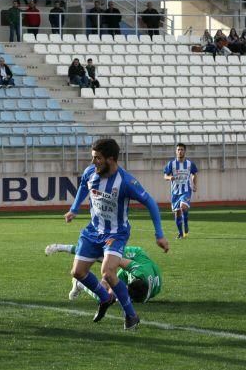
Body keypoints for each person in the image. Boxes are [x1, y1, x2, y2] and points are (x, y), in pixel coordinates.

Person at [64, 138, 169, 330]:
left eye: (97, 158)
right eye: (93, 157)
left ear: (111, 159)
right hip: (93, 231)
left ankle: (131, 316)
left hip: (116, 233)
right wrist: (74, 209)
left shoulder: (126, 182)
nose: (93, 162)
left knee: (108, 272)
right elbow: (82, 188)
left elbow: (151, 203)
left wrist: (159, 234)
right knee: (77, 272)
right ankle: (105, 299)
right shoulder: (90, 173)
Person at [45, 244, 162, 305]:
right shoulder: (139, 270)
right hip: (135, 257)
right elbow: (108, 260)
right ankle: (60, 247)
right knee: (99, 255)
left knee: (107, 297)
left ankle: (79, 284)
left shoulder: (141, 298)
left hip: (138, 273)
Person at [163, 142, 198, 239]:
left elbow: (194, 174)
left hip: (186, 190)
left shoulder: (190, 164)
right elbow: (165, 175)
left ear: (185, 151)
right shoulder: (171, 164)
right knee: (177, 212)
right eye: (178, 149)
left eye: (182, 149)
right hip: (175, 192)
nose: (180, 151)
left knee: (183, 207)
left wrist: (194, 185)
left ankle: (185, 223)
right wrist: (169, 178)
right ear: (176, 151)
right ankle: (180, 234)